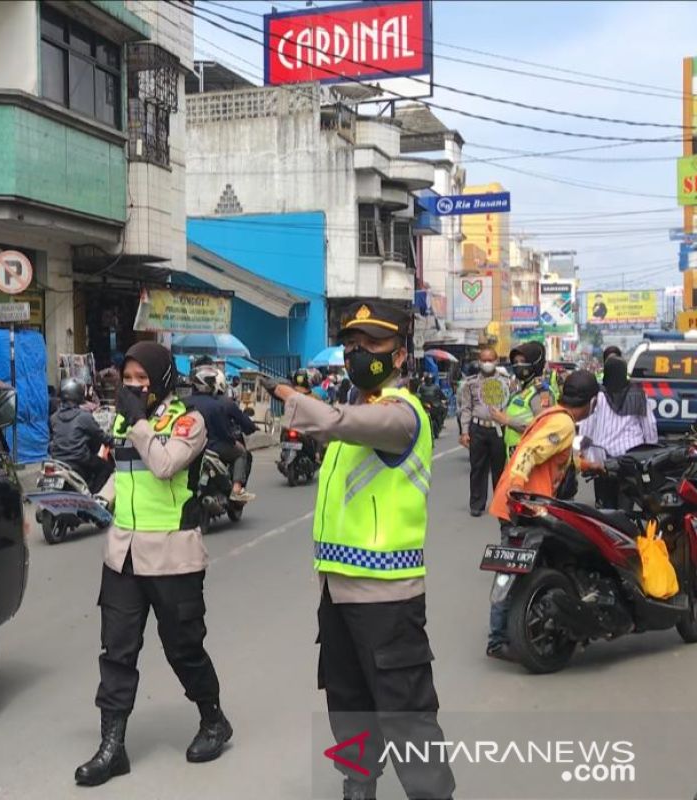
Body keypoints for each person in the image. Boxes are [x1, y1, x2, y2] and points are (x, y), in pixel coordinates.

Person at [263, 301, 455, 800]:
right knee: (347, 703)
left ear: (400, 355)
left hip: (388, 597)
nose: (359, 353)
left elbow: (335, 423)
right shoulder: (361, 410)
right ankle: (358, 784)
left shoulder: (400, 416)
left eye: (373, 344)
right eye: (352, 344)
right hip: (338, 589)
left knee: (407, 717)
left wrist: (290, 395)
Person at [75, 341, 231, 787]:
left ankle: (213, 719)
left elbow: (163, 466)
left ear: (162, 380)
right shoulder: (126, 423)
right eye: (127, 380)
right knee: (117, 652)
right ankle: (112, 747)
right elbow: (124, 477)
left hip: (172, 557)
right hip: (122, 555)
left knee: (183, 648)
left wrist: (140, 422)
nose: (132, 387)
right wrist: (90, 501)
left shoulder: (189, 422)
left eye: (141, 380)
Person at [486, 371, 601, 659]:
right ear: (589, 402)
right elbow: (531, 454)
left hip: (522, 503)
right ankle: (499, 638)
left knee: (521, 569)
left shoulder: (554, 415)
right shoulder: (563, 423)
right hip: (524, 505)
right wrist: (517, 489)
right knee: (515, 571)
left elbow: (562, 456)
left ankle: (513, 631)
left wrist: (595, 466)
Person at [579, 356, 657, 509]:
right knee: (626, 505)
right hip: (630, 459)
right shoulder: (638, 395)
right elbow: (649, 426)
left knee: (605, 509)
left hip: (602, 460)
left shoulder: (597, 396)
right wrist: (650, 452)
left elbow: (587, 425)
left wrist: (584, 454)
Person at [187, 365, 257, 502]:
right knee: (241, 452)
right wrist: (232, 440)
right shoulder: (218, 405)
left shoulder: (182, 403)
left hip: (190, 447)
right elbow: (223, 431)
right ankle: (236, 489)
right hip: (214, 446)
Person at [457, 348, 508, 517]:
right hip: (477, 429)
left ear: (496, 361)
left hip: (499, 430)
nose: (487, 363)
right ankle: (477, 504)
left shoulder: (506, 382)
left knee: (499, 469)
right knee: (477, 468)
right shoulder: (470, 383)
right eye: (484, 360)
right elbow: (466, 409)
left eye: (490, 360)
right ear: (479, 361)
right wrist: (465, 432)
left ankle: (500, 503)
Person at [491, 342, 556, 457]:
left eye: (522, 361)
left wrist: (507, 421)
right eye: (515, 362)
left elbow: (542, 428)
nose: (518, 365)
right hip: (517, 455)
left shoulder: (541, 392)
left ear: (534, 363)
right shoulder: (522, 390)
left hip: (530, 456)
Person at [49, 378, 113, 494]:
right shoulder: (84, 417)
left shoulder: (54, 417)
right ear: (79, 395)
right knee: (106, 467)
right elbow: (101, 437)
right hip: (79, 461)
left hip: (57, 462)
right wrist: (113, 440)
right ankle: (94, 497)